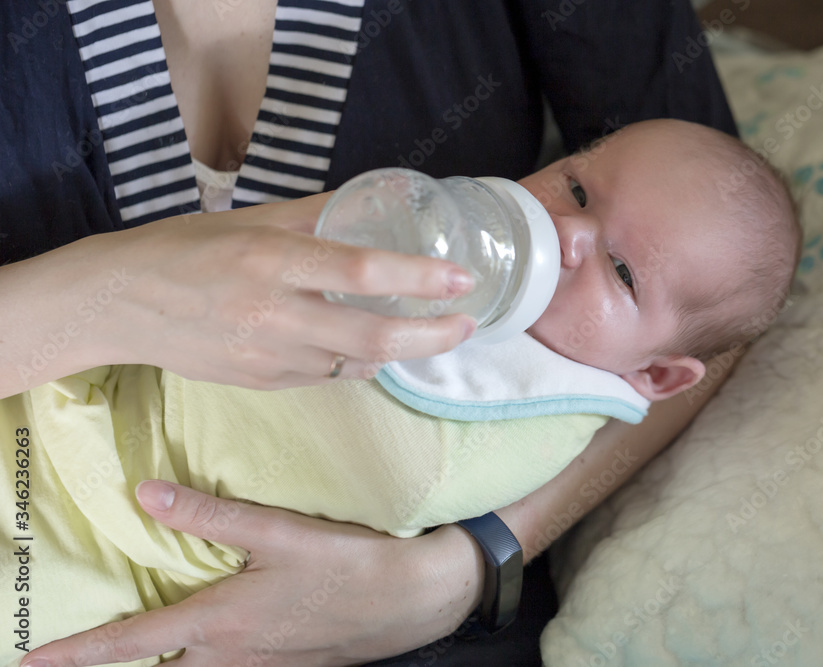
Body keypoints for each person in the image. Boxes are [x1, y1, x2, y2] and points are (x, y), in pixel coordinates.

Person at [1, 0, 744, 664]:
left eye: (614, 265)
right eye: (574, 191)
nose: (568, 232)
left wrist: (458, 571)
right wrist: (114, 294)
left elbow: (718, 310)